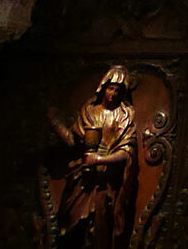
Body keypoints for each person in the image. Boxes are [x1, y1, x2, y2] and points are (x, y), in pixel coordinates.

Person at [48, 64, 140, 249]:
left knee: (97, 229)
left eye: (118, 90)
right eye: (111, 88)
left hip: (104, 184)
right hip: (81, 178)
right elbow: (74, 141)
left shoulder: (124, 116)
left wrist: (99, 159)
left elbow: (127, 152)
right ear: (103, 87)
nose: (113, 94)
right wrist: (56, 124)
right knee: (71, 226)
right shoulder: (89, 110)